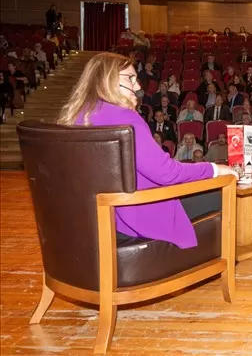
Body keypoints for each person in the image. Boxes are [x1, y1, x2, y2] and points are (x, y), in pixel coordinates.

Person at [56, 52, 237, 248]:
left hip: (97, 216)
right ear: (108, 80)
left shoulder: (78, 114)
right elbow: (167, 173)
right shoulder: (125, 117)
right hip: (139, 213)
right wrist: (214, 169)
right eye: (130, 78)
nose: (138, 86)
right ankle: (207, 259)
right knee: (222, 190)